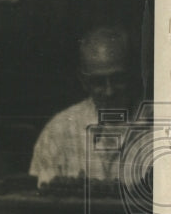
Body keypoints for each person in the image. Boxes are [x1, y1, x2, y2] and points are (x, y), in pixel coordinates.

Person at [29, 25, 143, 187]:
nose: (109, 91)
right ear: (83, 81)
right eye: (98, 82)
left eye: (118, 79)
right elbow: (39, 204)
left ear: (133, 73)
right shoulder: (58, 132)